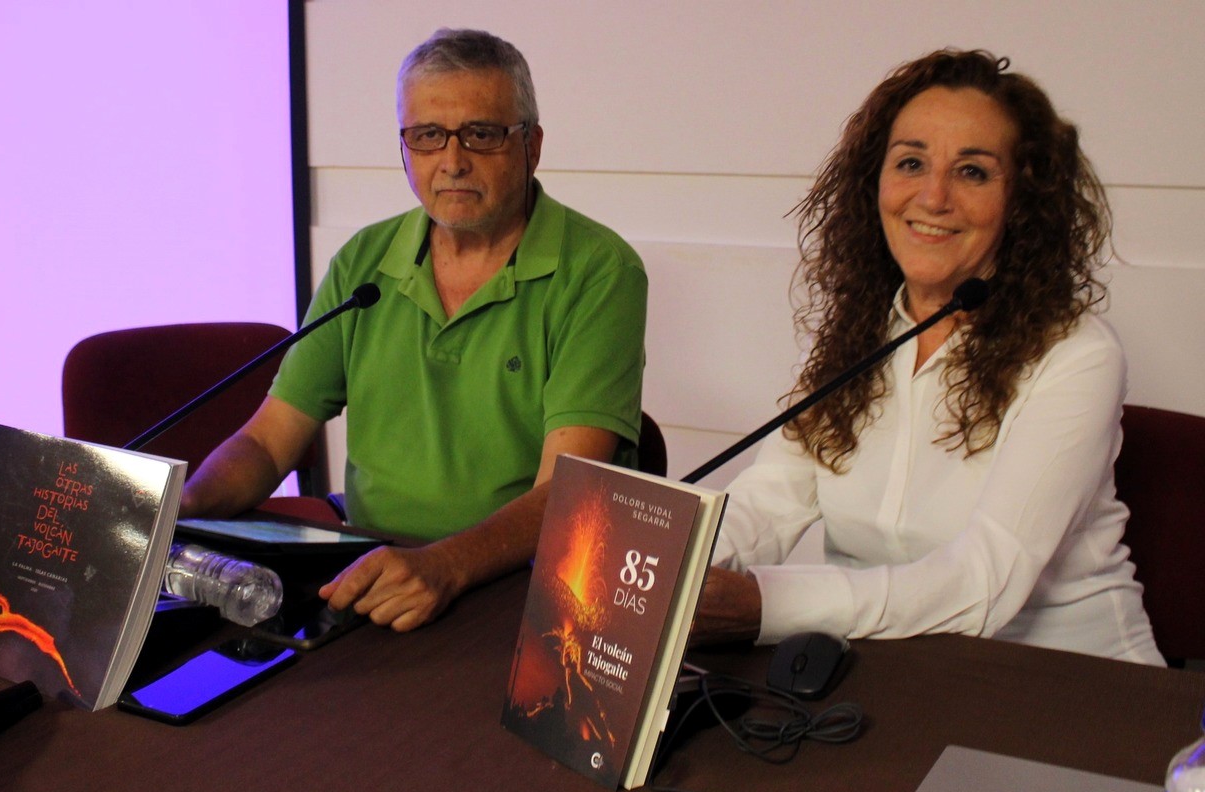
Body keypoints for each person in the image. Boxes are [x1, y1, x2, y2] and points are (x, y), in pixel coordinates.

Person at [694, 49, 1163, 665]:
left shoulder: (1078, 355)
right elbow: (769, 500)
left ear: (1023, 199)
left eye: (972, 172)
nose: (933, 196)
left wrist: (762, 606)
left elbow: (984, 584)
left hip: (1071, 687)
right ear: (876, 184)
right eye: (911, 163)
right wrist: (666, 566)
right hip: (895, 676)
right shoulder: (861, 336)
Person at [180, 29, 647, 633]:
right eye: (427, 137)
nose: (452, 162)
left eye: (481, 134)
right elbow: (269, 443)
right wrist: (180, 507)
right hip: (372, 574)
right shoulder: (362, 261)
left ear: (531, 146)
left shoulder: (600, 270)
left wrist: (444, 565)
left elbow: (567, 494)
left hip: (524, 587)